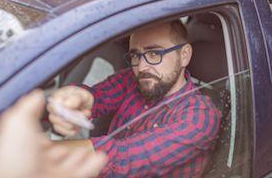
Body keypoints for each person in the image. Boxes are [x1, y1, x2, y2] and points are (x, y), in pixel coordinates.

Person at [47, 20, 222, 177]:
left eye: (154, 54)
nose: (142, 67)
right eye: (136, 55)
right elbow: (97, 97)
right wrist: (76, 99)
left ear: (184, 55)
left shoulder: (200, 116)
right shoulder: (131, 80)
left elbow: (123, 157)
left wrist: (40, 154)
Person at [0, 90, 107, 178]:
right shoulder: (123, 80)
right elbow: (97, 95)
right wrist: (71, 96)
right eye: (129, 55)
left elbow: (123, 153)